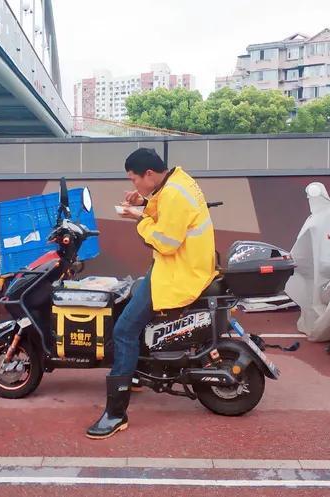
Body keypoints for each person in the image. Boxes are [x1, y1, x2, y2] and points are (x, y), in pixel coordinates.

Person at [85, 147, 218, 439]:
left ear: (148, 174)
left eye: (134, 180)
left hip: (178, 272)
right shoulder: (178, 181)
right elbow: (170, 213)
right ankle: (133, 369)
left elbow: (165, 241)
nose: (133, 185)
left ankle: (115, 413)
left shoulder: (172, 193)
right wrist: (144, 202)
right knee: (129, 304)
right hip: (189, 265)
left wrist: (138, 217)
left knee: (123, 330)